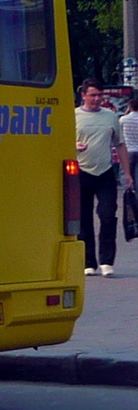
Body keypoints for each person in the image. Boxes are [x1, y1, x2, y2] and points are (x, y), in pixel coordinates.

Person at [76, 79, 134, 277]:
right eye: (92, 95)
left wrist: (127, 174)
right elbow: (59, 141)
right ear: (83, 95)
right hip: (80, 172)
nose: (97, 99)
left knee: (108, 214)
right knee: (83, 218)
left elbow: (120, 145)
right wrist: (73, 144)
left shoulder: (110, 116)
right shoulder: (72, 116)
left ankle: (107, 261)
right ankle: (88, 261)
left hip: (105, 172)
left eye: (100, 95)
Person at [121, 97, 138, 182]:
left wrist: (126, 113)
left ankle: (128, 192)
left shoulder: (124, 119)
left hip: (128, 150)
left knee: (127, 173)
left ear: (129, 107)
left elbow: (118, 131)